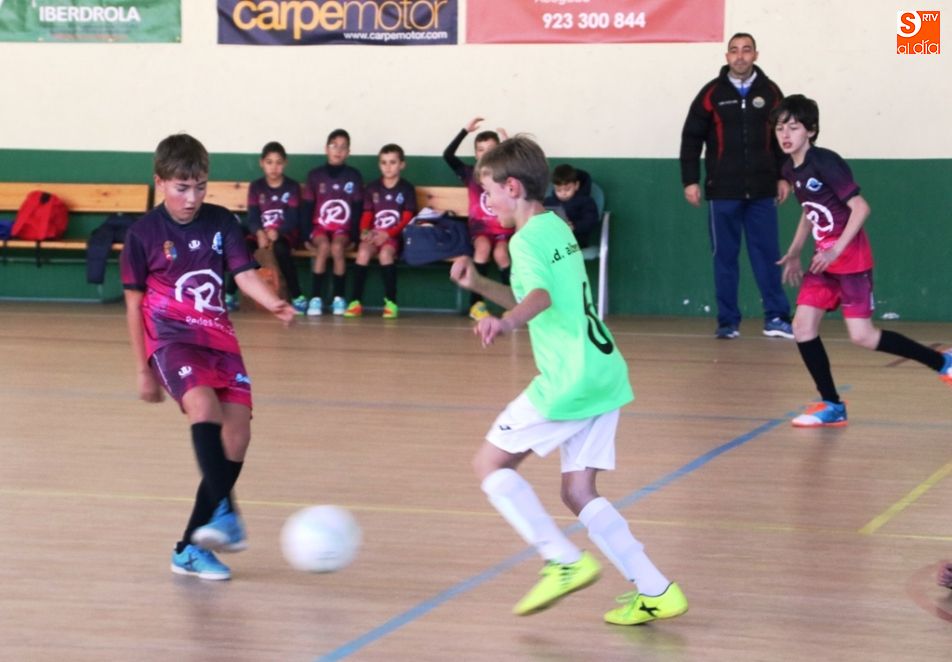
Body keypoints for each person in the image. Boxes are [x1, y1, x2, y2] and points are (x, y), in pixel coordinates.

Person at [450, 135, 687, 625]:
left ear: (512, 187)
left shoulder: (523, 241)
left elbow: (537, 298)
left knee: (489, 463)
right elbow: (539, 293)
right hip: (604, 373)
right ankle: (656, 590)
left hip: (568, 382)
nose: (486, 202)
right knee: (578, 491)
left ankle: (562, 561)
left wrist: (506, 323)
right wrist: (479, 285)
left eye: (488, 191)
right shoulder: (556, 225)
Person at [120, 134, 295, 580]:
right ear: (160, 182)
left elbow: (244, 273)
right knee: (203, 407)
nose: (192, 198)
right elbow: (134, 306)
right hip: (171, 338)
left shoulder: (221, 222)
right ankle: (225, 511)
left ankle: (188, 549)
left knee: (237, 437)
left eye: (200, 187)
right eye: (182, 188)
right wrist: (142, 369)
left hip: (219, 338)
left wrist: (271, 302)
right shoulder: (142, 235)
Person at [773, 95, 952, 427]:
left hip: (850, 260)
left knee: (863, 336)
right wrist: (796, 250)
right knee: (802, 327)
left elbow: (860, 208)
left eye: (793, 127)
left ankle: (942, 362)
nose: (786, 134)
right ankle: (832, 405)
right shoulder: (789, 168)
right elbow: (810, 212)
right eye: (780, 128)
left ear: (810, 131)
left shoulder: (826, 162)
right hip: (823, 263)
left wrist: (835, 250)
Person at [680, 32, 794, 340]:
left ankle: (776, 318)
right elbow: (691, 138)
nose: (740, 56)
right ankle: (727, 322)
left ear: (756, 55)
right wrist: (690, 180)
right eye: (734, 50)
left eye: (746, 50)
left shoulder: (771, 92)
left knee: (768, 256)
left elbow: (784, 137)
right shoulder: (711, 93)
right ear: (727, 56)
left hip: (762, 191)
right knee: (725, 258)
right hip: (722, 192)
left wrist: (784, 176)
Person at [444, 117, 514, 321]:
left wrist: (508, 144)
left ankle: (512, 303)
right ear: (476, 154)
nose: (486, 154)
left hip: (502, 229)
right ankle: (476, 304)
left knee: (501, 254)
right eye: (481, 150)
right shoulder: (469, 173)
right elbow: (448, 156)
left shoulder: (506, 174)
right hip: (481, 229)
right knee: (482, 249)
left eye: (491, 149)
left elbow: (518, 162)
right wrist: (465, 130)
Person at [344, 143, 417, 319]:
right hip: (375, 234)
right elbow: (367, 214)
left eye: (393, 162)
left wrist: (388, 234)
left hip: (395, 237)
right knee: (363, 252)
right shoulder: (372, 188)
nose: (388, 167)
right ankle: (355, 302)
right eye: (384, 162)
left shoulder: (407, 189)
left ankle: (391, 302)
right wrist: (365, 232)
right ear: (379, 165)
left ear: (402, 165)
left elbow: (407, 218)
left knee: (385, 254)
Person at [238, 141, 307, 314]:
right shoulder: (256, 187)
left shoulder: (292, 187)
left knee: (281, 250)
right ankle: (230, 294)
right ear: (262, 163)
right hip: (260, 234)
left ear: (285, 163)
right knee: (243, 250)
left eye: (278, 162)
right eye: (269, 162)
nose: (274, 167)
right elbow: (253, 216)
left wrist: (279, 232)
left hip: (285, 234)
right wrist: (259, 232)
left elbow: (293, 218)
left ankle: (298, 296)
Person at [301, 128, 363, 316]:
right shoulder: (315, 176)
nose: (338, 150)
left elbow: (358, 209)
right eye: (334, 145)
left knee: (336, 247)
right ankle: (315, 298)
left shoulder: (354, 176)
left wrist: (354, 237)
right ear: (326, 149)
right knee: (324, 247)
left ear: (348, 152)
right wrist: (305, 236)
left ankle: (338, 297)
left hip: (343, 229)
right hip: (319, 227)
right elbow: (307, 207)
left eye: (343, 147)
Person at [543, 163, 600, 248]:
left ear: (576, 185)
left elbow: (591, 220)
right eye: (558, 190)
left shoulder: (586, 202)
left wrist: (574, 227)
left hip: (576, 243)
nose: (563, 193)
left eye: (567, 189)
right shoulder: (548, 202)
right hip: (552, 239)